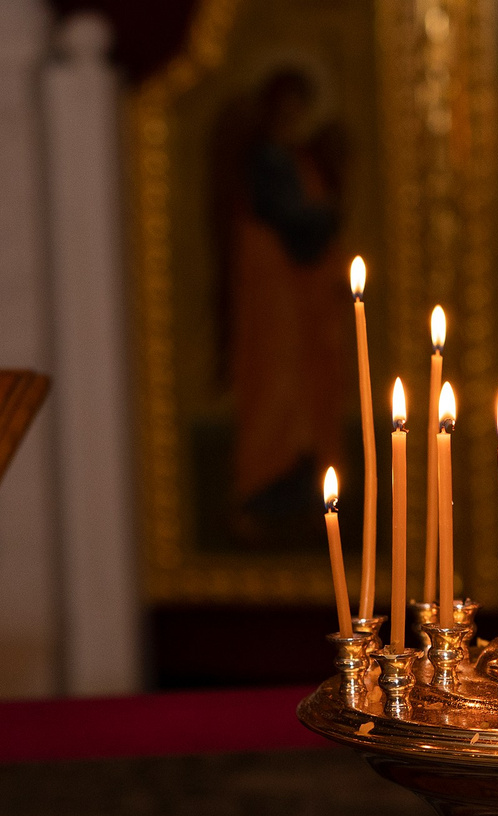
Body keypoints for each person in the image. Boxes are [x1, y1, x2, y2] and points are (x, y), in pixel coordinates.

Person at [214, 66, 349, 543]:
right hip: (272, 300)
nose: (293, 114)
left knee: (308, 393)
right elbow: (294, 223)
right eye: (286, 103)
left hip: (302, 300)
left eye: (300, 104)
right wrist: (326, 213)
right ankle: (258, 497)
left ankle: (306, 500)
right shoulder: (266, 160)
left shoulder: (296, 157)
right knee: (277, 390)